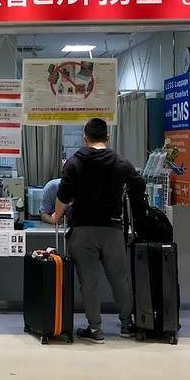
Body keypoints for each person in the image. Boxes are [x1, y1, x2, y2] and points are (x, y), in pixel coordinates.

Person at [47, 117, 145, 344]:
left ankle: (95, 330)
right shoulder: (122, 163)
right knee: (119, 279)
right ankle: (126, 325)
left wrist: (56, 216)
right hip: (112, 230)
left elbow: (63, 195)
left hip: (83, 230)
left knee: (89, 283)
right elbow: (139, 186)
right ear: (107, 137)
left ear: (85, 138)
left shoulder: (73, 163)